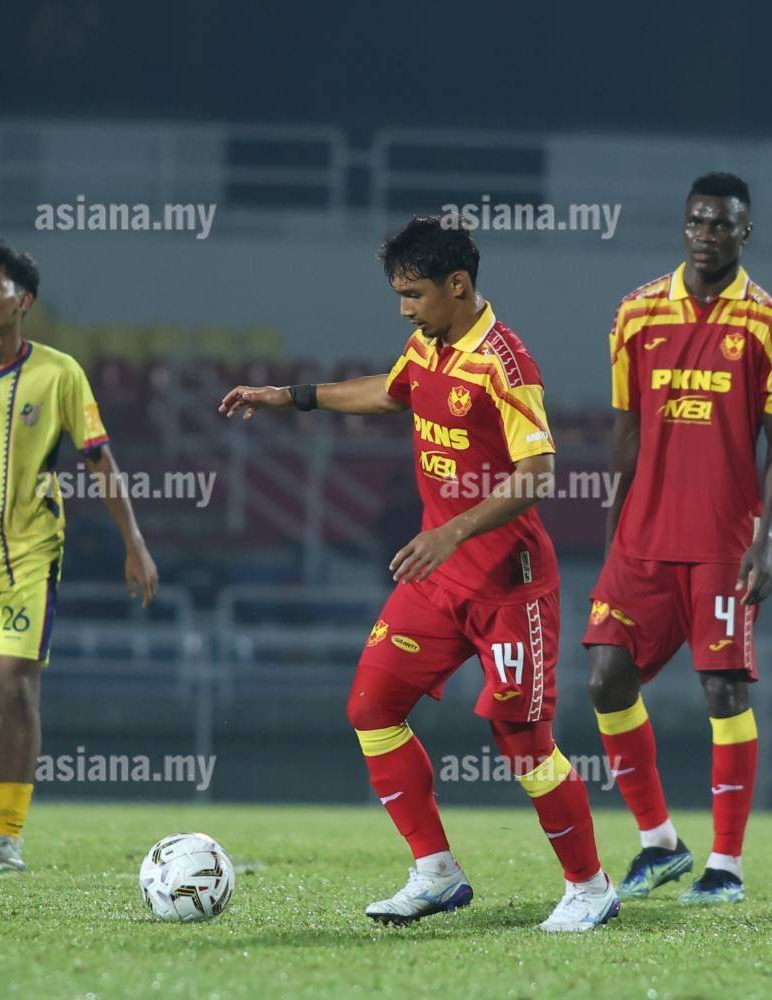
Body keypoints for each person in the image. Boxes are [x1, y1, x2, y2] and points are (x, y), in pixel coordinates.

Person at [220, 217, 617, 931]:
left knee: (523, 744)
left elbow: (539, 474)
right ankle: (436, 871)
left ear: (457, 285)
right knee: (371, 707)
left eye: (414, 294)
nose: (404, 308)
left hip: (508, 585)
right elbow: (390, 390)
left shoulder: (505, 362)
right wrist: (288, 395)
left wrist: (453, 529)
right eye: (399, 294)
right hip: (437, 579)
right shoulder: (429, 344)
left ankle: (590, 887)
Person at [0, 240, 159, 871]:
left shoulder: (60, 373)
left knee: (15, 684)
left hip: (32, 556)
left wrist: (134, 543)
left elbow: (99, 458)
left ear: (24, 301)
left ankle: (8, 837)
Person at [583, 173, 772, 903]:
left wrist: (768, 541)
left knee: (722, 690)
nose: (706, 235)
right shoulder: (637, 312)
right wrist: (613, 526)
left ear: (745, 233)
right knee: (605, 678)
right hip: (642, 537)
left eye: (721, 224)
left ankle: (726, 867)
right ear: (684, 226)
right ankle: (660, 844)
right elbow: (626, 430)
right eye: (697, 222)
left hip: (721, 539)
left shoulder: (767, 324)